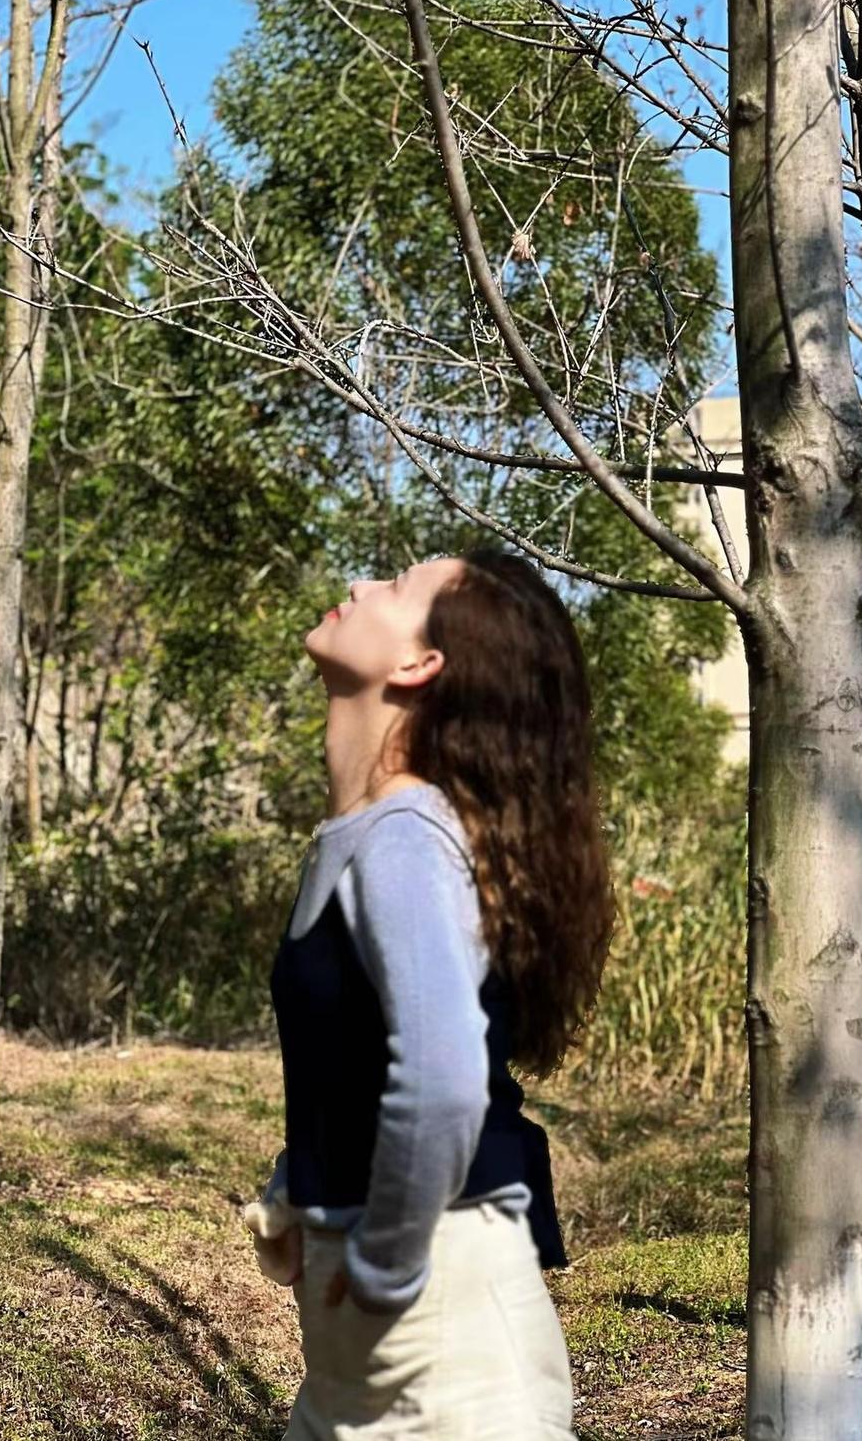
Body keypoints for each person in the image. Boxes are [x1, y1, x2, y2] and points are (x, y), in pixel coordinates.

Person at [240, 544, 615, 1438]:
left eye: (397, 585)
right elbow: (357, 1060)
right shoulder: (370, 832)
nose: (361, 584)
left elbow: (445, 1079)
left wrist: (383, 1262)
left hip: (448, 1352)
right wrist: (306, 1184)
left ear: (419, 663)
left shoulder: (405, 834)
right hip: (369, 1358)